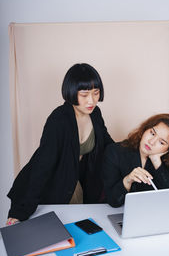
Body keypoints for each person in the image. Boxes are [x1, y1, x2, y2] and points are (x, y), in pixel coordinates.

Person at [7, 63, 113, 225]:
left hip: (77, 181)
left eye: (96, 93)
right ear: (71, 92)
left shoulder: (95, 114)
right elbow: (42, 165)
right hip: (53, 184)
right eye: (84, 94)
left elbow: (108, 145)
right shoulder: (59, 120)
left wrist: (138, 150)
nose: (91, 100)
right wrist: (21, 211)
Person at [103, 113, 169, 207]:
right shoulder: (115, 151)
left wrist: (157, 162)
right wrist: (127, 180)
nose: (151, 142)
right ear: (145, 129)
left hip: (153, 217)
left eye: (161, 142)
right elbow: (113, 201)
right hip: (119, 214)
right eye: (152, 133)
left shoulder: (168, 162)